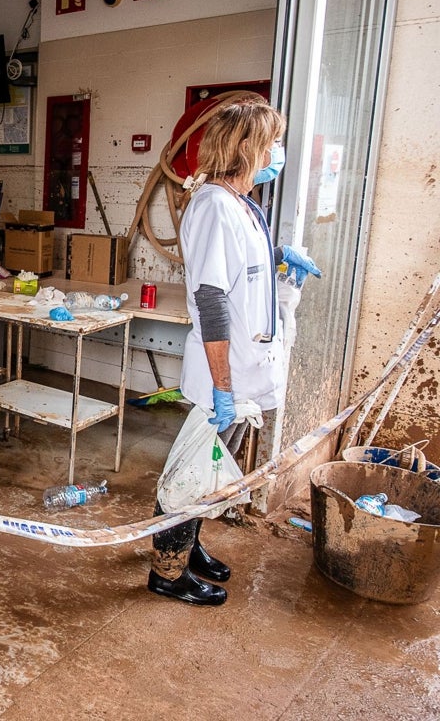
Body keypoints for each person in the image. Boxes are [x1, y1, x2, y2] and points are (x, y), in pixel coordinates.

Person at [148, 99, 320, 606]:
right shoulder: (214, 205)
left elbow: (241, 268)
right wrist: (223, 387)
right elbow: (211, 299)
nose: (278, 152)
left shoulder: (243, 203)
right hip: (222, 375)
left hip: (244, 370)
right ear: (247, 147)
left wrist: (276, 256)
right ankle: (167, 571)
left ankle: (191, 545)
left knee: (215, 466)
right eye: (273, 142)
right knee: (191, 472)